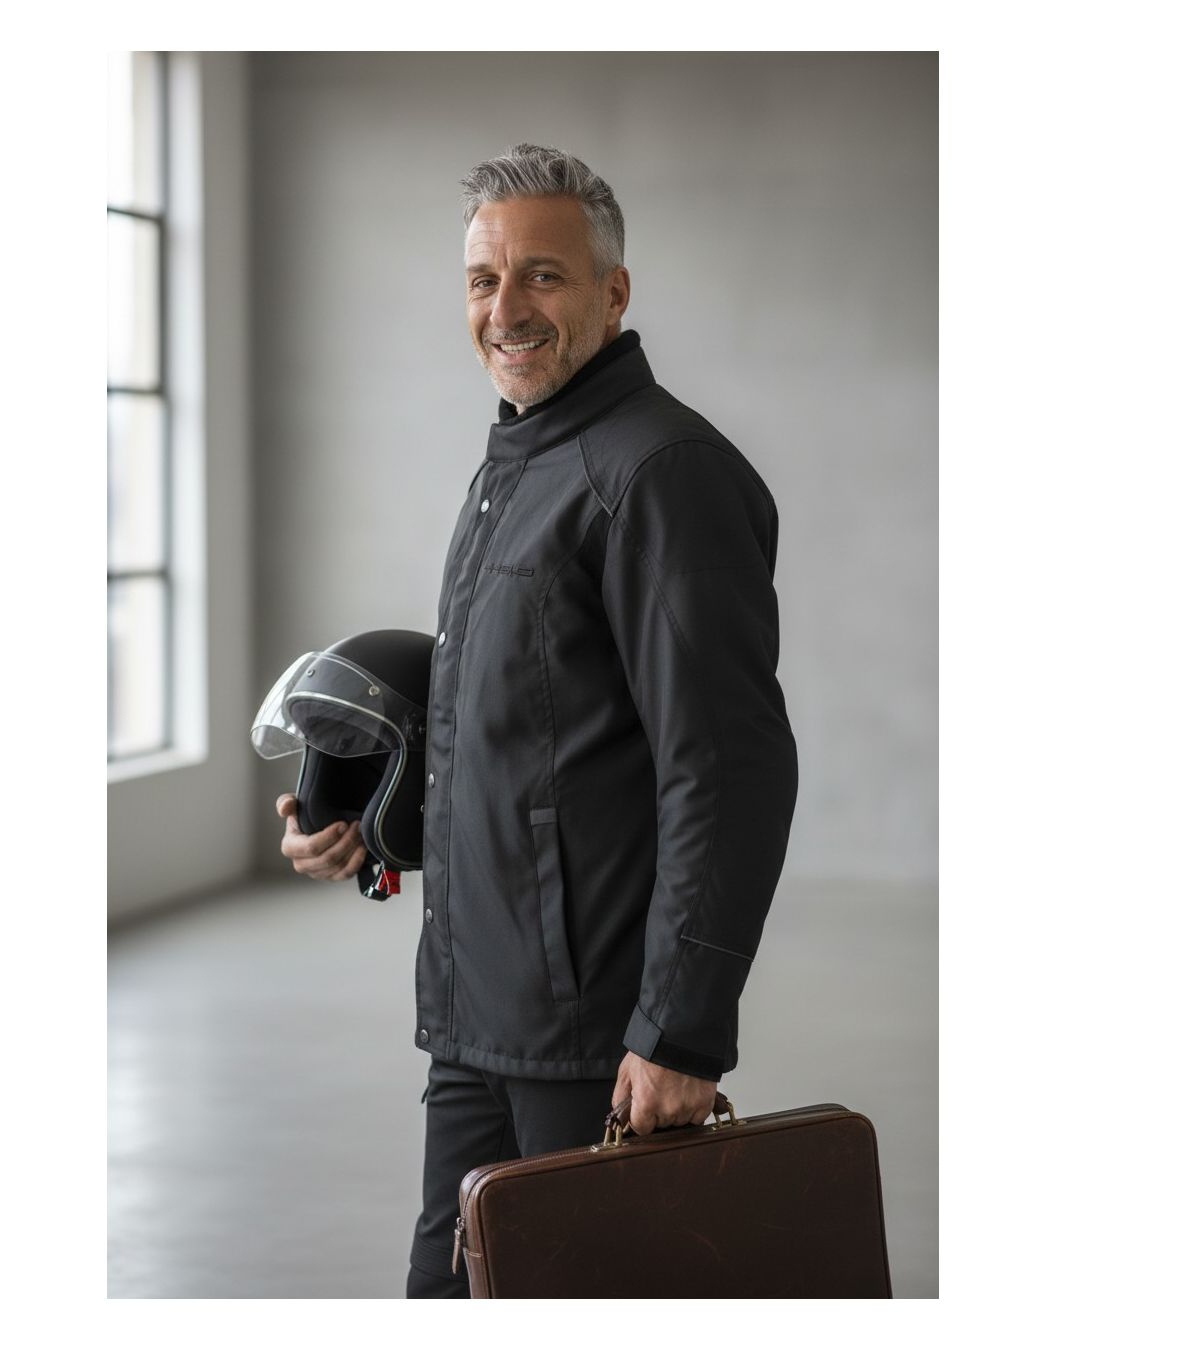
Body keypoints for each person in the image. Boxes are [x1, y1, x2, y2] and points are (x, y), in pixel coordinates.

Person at [275, 144, 799, 1298]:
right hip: (477, 1013)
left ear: (614, 292)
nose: (506, 308)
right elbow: (534, 733)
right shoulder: (519, 461)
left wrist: (681, 1031)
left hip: (593, 1036)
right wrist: (375, 823)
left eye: (543, 276)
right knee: (448, 1293)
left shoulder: (660, 473)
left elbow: (728, 769)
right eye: (483, 279)